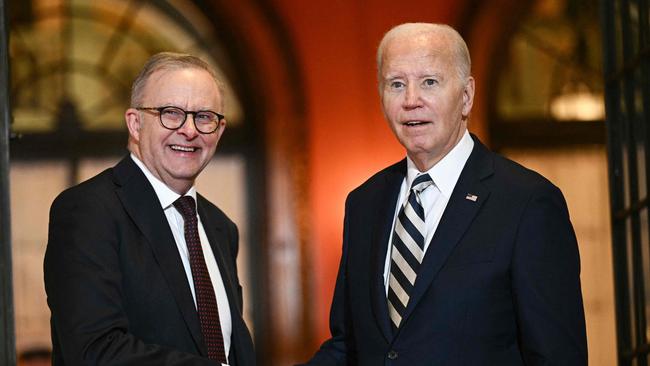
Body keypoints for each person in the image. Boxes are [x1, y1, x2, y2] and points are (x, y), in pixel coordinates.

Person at [302, 23, 587, 365]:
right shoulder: (364, 203)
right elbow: (349, 347)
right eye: (396, 84)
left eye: (429, 82)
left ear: (466, 96)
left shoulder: (527, 202)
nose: (411, 100)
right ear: (381, 98)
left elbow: (556, 356)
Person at [44, 52, 255, 366]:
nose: (190, 130)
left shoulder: (221, 228)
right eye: (171, 113)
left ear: (219, 131)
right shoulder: (88, 211)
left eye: (204, 117)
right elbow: (94, 352)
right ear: (135, 123)